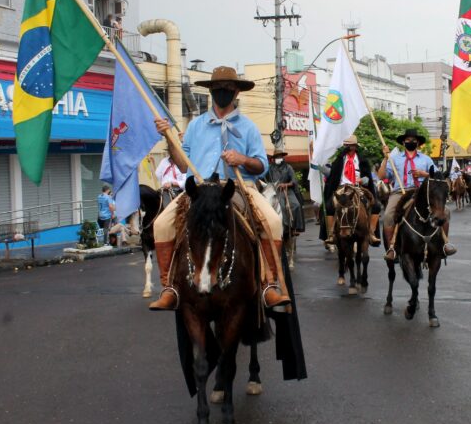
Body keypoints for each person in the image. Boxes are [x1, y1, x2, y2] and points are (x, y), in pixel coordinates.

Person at [148, 66, 289, 311]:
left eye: (227, 88)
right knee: (160, 225)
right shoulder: (195, 126)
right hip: (199, 190)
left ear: (236, 92)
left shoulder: (248, 127)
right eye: (217, 88)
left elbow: (261, 166)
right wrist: (169, 139)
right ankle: (169, 288)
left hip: (237, 188)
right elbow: (183, 164)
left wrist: (242, 159)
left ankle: (269, 285)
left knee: (274, 222)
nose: (222, 92)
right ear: (211, 91)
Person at [377, 127, 456, 261]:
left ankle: (444, 244)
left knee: (446, 212)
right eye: (408, 140)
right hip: (400, 192)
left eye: (413, 140)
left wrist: (423, 174)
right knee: (388, 216)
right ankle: (392, 248)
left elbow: (438, 177)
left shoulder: (426, 159)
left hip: (421, 192)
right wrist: (385, 159)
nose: (411, 142)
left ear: (418, 143)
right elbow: (381, 176)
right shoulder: (394, 159)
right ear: (403, 142)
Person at [323, 135, 381, 246]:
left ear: (355, 146)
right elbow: (332, 175)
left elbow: (368, 177)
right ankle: (331, 234)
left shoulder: (362, 160)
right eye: (347, 145)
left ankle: (371, 233)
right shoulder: (339, 160)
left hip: (358, 187)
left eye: (351, 145)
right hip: (342, 188)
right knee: (329, 206)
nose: (349, 148)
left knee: (376, 206)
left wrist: (362, 180)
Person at [265, 149, 305, 235]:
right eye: (277, 157)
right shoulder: (270, 168)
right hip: (276, 191)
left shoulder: (288, 167)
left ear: (283, 157)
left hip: (287, 190)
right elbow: (265, 179)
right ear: (274, 158)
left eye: (280, 156)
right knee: (281, 206)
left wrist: (286, 184)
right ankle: (285, 227)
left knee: (296, 205)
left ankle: (294, 227)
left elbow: (294, 180)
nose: (279, 158)